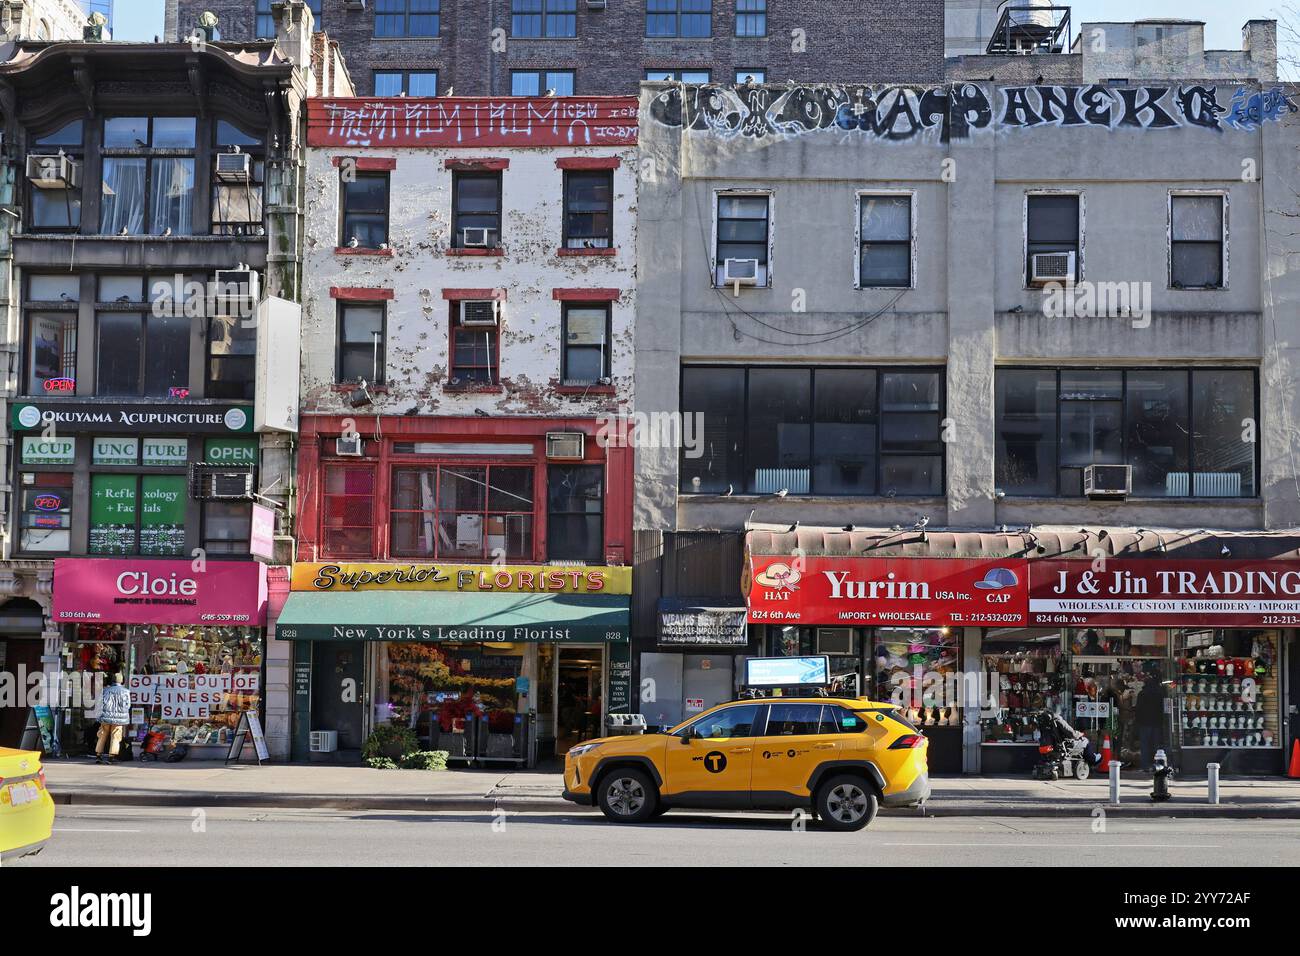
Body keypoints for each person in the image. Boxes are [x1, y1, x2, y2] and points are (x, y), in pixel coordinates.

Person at [95, 673, 132, 765]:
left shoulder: (105, 690)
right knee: (116, 736)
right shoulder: (125, 691)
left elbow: (99, 704)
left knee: (102, 734)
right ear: (121, 681)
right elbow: (128, 705)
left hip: (105, 717)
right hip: (119, 718)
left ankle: (98, 754)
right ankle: (111, 756)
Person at [1135, 670, 1167, 771]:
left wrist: (1138, 721)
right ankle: (1157, 765)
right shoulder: (1160, 693)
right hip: (1157, 722)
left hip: (1144, 723)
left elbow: (1138, 709)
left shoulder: (1142, 694)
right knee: (1156, 745)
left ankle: (1145, 765)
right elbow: (1163, 708)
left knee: (1145, 745)